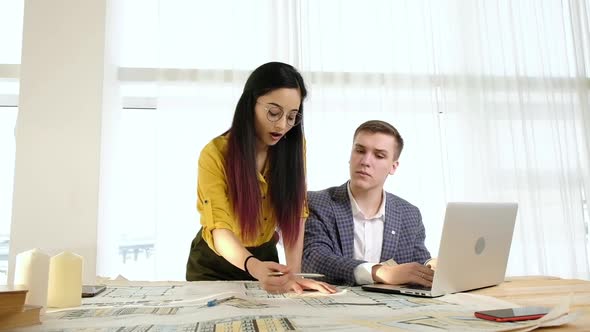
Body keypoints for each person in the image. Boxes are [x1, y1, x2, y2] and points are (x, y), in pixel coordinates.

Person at [186, 62, 335, 295]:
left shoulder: (294, 148)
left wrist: (293, 276)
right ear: (250, 104)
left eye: (292, 116)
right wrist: (253, 266)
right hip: (214, 263)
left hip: (265, 258)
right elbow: (219, 228)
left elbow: (296, 213)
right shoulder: (215, 154)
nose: (282, 125)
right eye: (274, 112)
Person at [302, 120, 435, 286]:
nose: (365, 161)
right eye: (359, 150)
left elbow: (419, 264)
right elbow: (314, 259)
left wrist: (433, 267)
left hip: (391, 310)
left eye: (379, 155)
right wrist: (379, 272)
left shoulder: (409, 214)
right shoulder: (316, 203)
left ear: (393, 167)